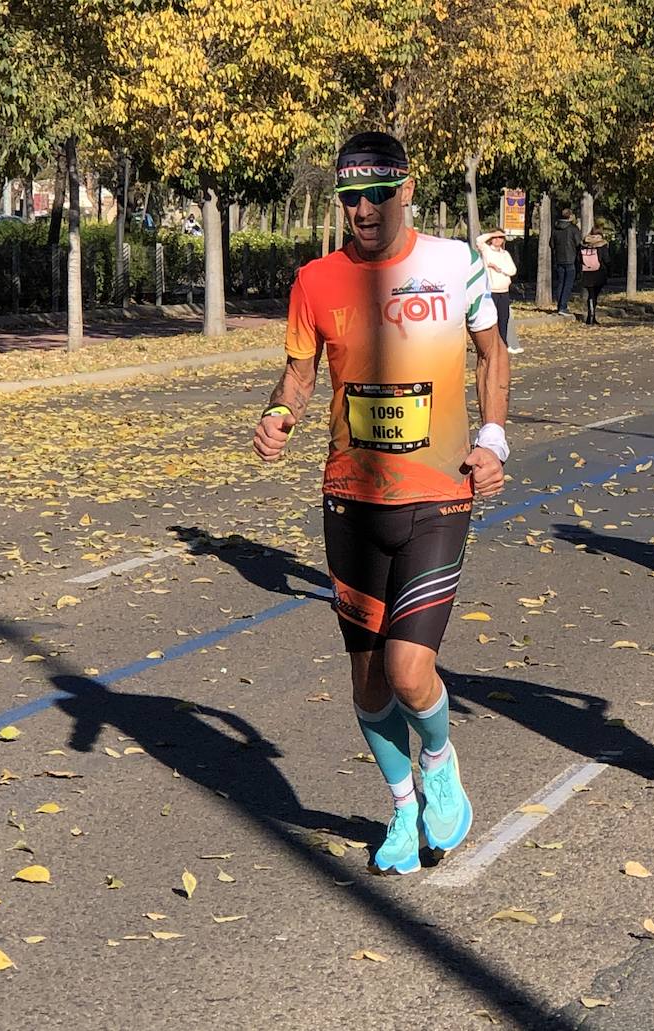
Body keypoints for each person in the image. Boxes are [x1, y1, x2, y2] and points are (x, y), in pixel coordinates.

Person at [252, 131, 509, 874]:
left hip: (438, 497)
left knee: (406, 669)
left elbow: (492, 354)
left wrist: (492, 439)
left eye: (375, 195)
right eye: (349, 198)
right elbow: (298, 374)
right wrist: (279, 415)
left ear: (405, 189)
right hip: (351, 502)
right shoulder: (315, 280)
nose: (362, 210)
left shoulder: (453, 264)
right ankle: (402, 809)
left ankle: (439, 759)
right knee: (366, 679)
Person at [476, 228, 521, 354]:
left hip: (504, 289)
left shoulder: (505, 254)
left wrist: (499, 268)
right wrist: (492, 233)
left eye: (500, 238)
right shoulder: (486, 250)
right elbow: (478, 240)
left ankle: (503, 345)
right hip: (491, 290)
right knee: (491, 319)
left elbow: (512, 270)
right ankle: (490, 346)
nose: (498, 240)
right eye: (495, 238)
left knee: (504, 318)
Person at [551, 207, 582, 316]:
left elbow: (552, 244)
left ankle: (560, 306)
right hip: (570, 259)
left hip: (559, 259)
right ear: (570, 216)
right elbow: (578, 243)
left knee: (560, 283)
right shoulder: (573, 229)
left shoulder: (555, 229)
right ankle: (563, 307)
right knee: (568, 284)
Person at [579, 224, 609, 325]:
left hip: (586, 271)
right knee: (595, 294)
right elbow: (606, 259)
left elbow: (579, 258)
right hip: (598, 271)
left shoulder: (584, 243)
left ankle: (590, 315)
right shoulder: (602, 244)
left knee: (590, 293)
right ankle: (593, 314)